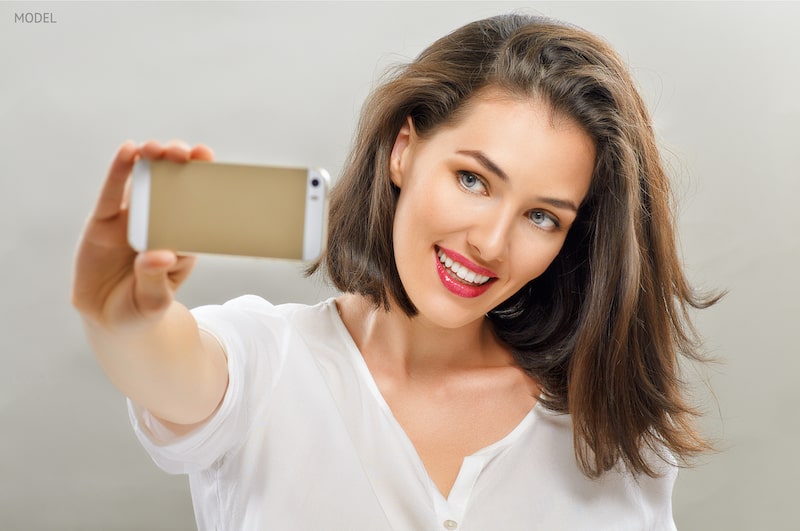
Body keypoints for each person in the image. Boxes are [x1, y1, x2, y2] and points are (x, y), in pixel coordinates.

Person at [72, 13, 717, 531]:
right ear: (404, 150)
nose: (491, 243)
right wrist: (121, 320)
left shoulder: (610, 429)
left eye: (543, 217)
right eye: (473, 179)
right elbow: (169, 367)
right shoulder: (265, 364)